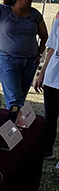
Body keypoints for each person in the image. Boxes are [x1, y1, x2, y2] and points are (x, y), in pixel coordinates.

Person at [32, 11, 59, 159]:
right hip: (53, 79)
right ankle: (46, 150)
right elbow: (52, 48)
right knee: (50, 117)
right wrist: (41, 73)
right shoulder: (58, 19)